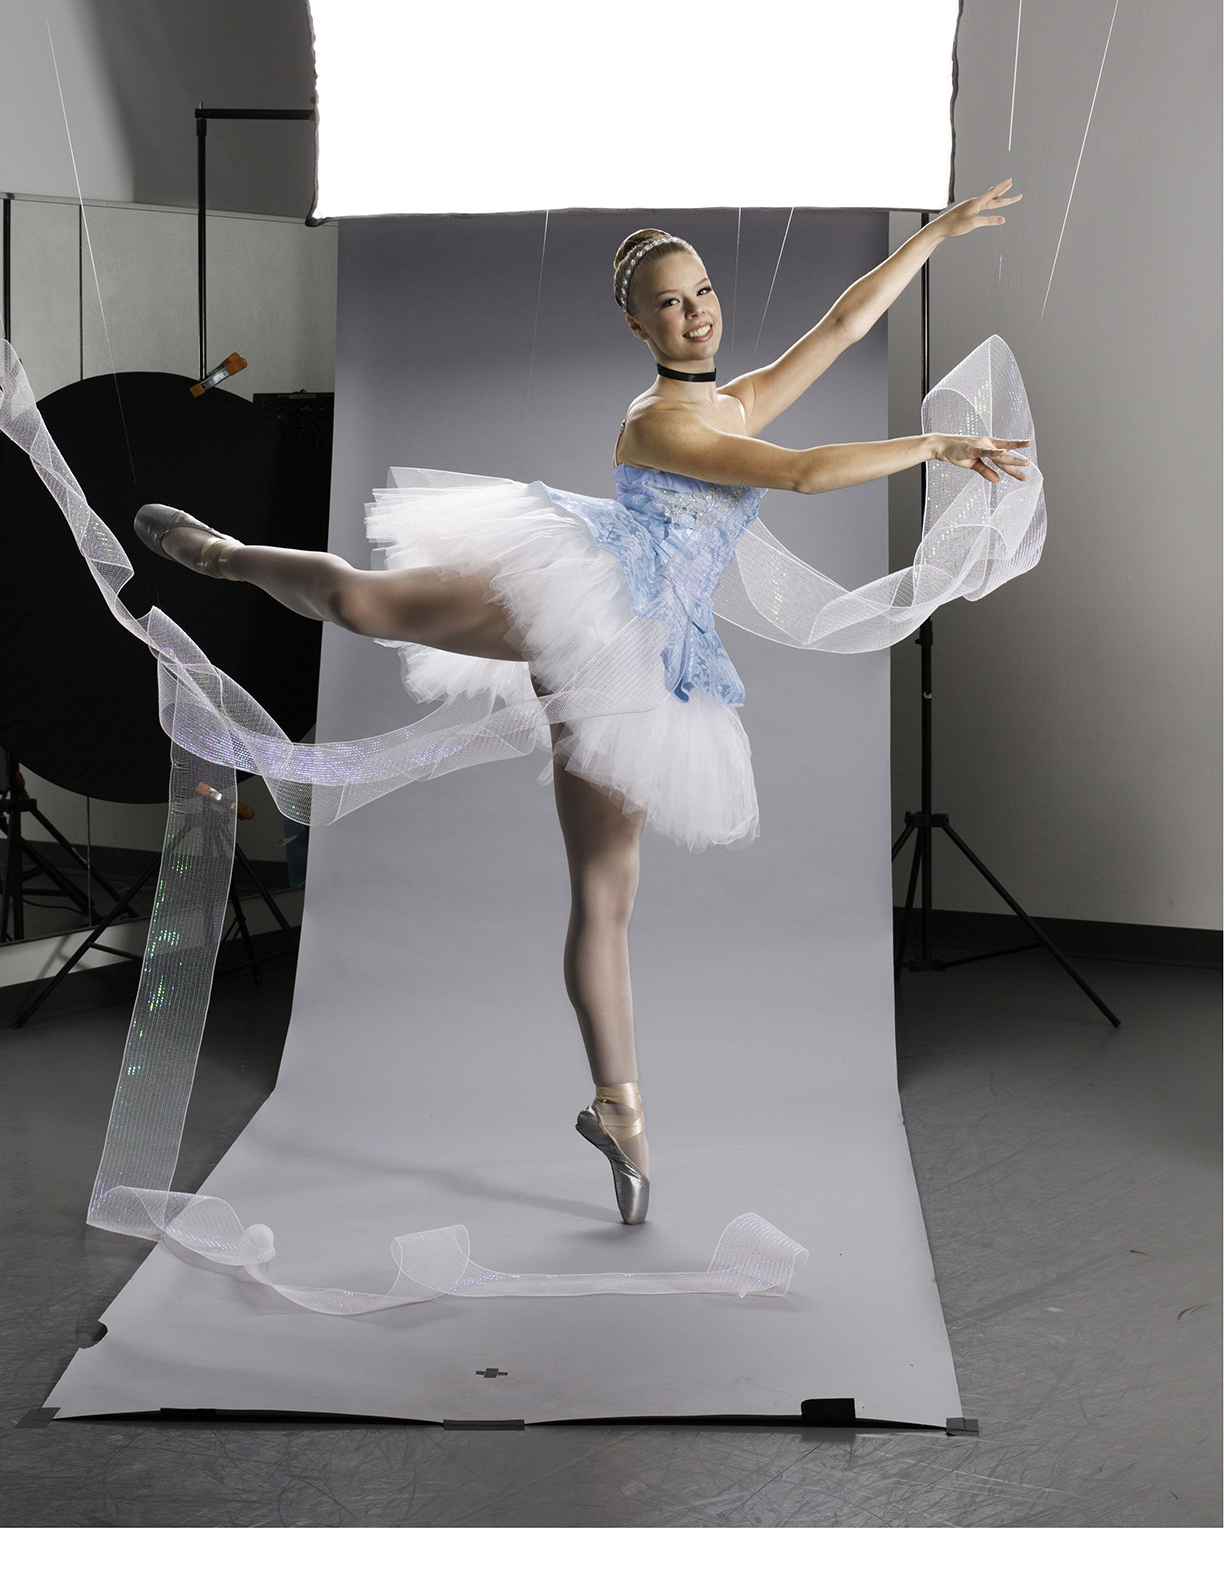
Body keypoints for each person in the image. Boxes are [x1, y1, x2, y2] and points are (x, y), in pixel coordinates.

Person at [135, 182, 1028, 1227]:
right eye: (668, 303)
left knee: (606, 893)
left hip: (650, 671)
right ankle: (229, 554)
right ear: (634, 322)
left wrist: (930, 235)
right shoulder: (659, 422)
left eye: (701, 293)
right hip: (589, 595)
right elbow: (800, 476)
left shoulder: (728, 400)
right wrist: (931, 447)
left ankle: (618, 1110)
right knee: (367, 602)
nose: (694, 313)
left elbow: (839, 324)